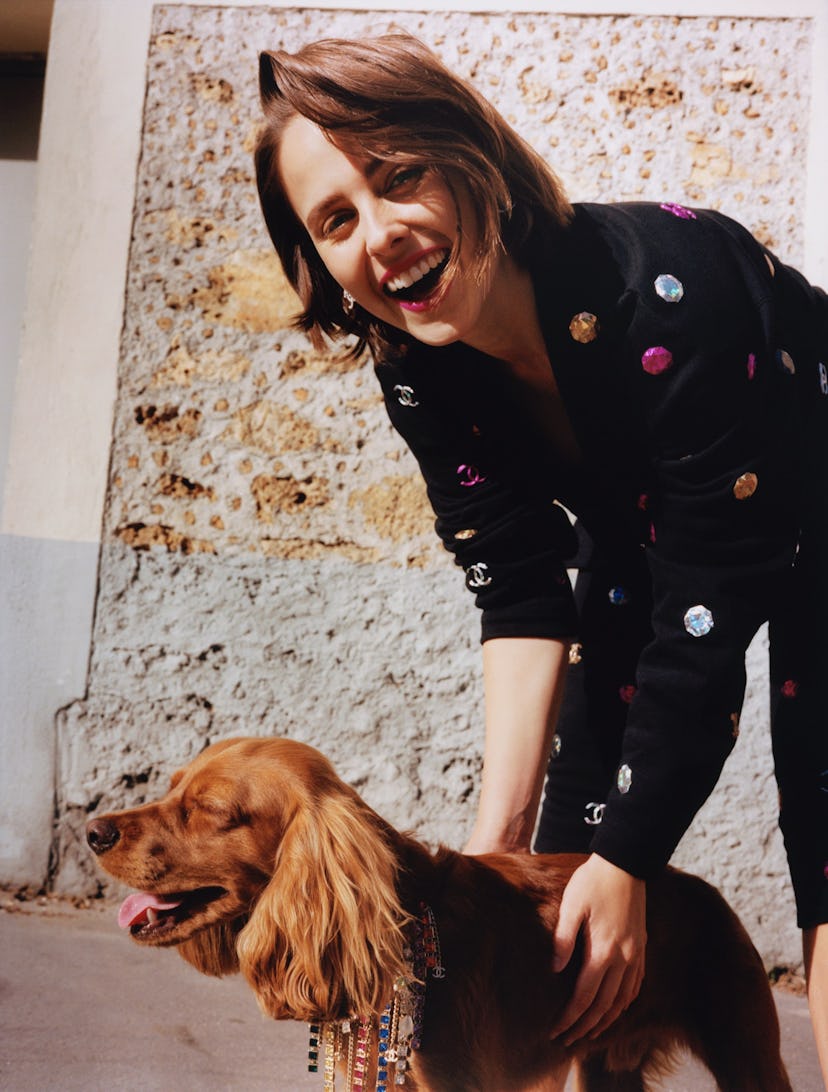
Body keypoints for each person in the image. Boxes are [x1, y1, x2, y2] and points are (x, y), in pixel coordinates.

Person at [253, 31, 828, 1081]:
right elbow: (519, 590)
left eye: (397, 178)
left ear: (469, 153)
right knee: (553, 890)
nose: (380, 236)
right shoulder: (421, 372)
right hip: (649, 540)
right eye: (336, 220)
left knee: (825, 837)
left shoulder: (673, 289)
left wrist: (631, 859)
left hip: (819, 510)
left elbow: (701, 621)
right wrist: (495, 862)